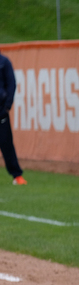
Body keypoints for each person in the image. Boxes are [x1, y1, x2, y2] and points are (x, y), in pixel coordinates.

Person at [0, 49, 25, 186]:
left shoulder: (4, 62)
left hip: (1, 111)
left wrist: (7, 106)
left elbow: (11, 84)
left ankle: (17, 175)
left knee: (6, 143)